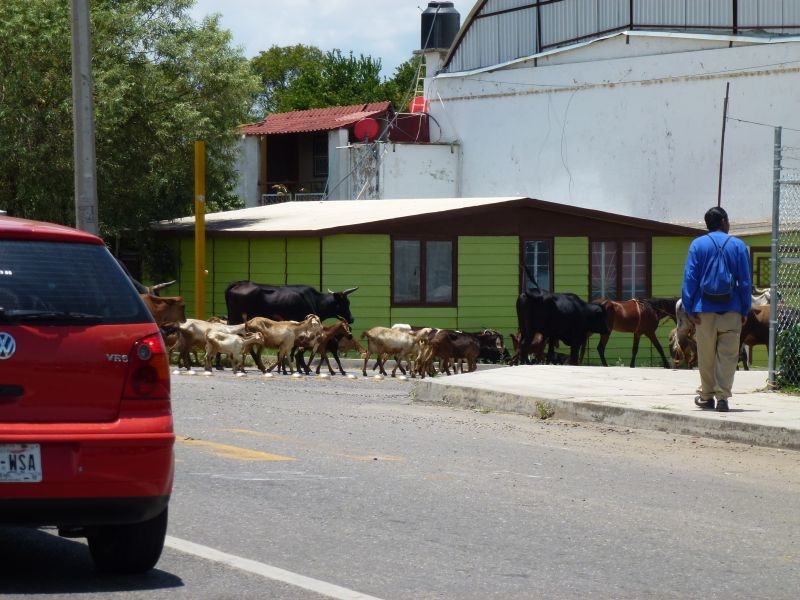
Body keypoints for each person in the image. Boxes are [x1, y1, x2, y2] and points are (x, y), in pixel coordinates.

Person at [681, 206, 752, 412]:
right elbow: (745, 283)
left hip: (704, 311)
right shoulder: (738, 246)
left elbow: (690, 278)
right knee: (728, 356)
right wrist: (745, 310)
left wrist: (689, 308)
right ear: (723, 222)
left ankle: (706, 396)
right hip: (731, 310)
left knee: (706, 355)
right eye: (728, 221)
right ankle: (723, 398)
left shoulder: (697, 245)